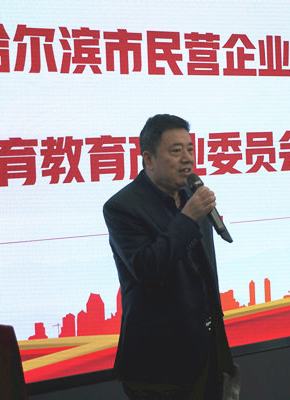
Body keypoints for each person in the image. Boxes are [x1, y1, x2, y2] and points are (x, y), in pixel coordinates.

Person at [103, 114, 239, 399]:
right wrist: (187, 218)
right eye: (176, 151)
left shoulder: (193, 195)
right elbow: (147, 269)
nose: (187, 158)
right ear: (149, 159)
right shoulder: (122, 207)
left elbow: (204, 272)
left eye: (190, 149)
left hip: (207, 353)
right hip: (158, 365)